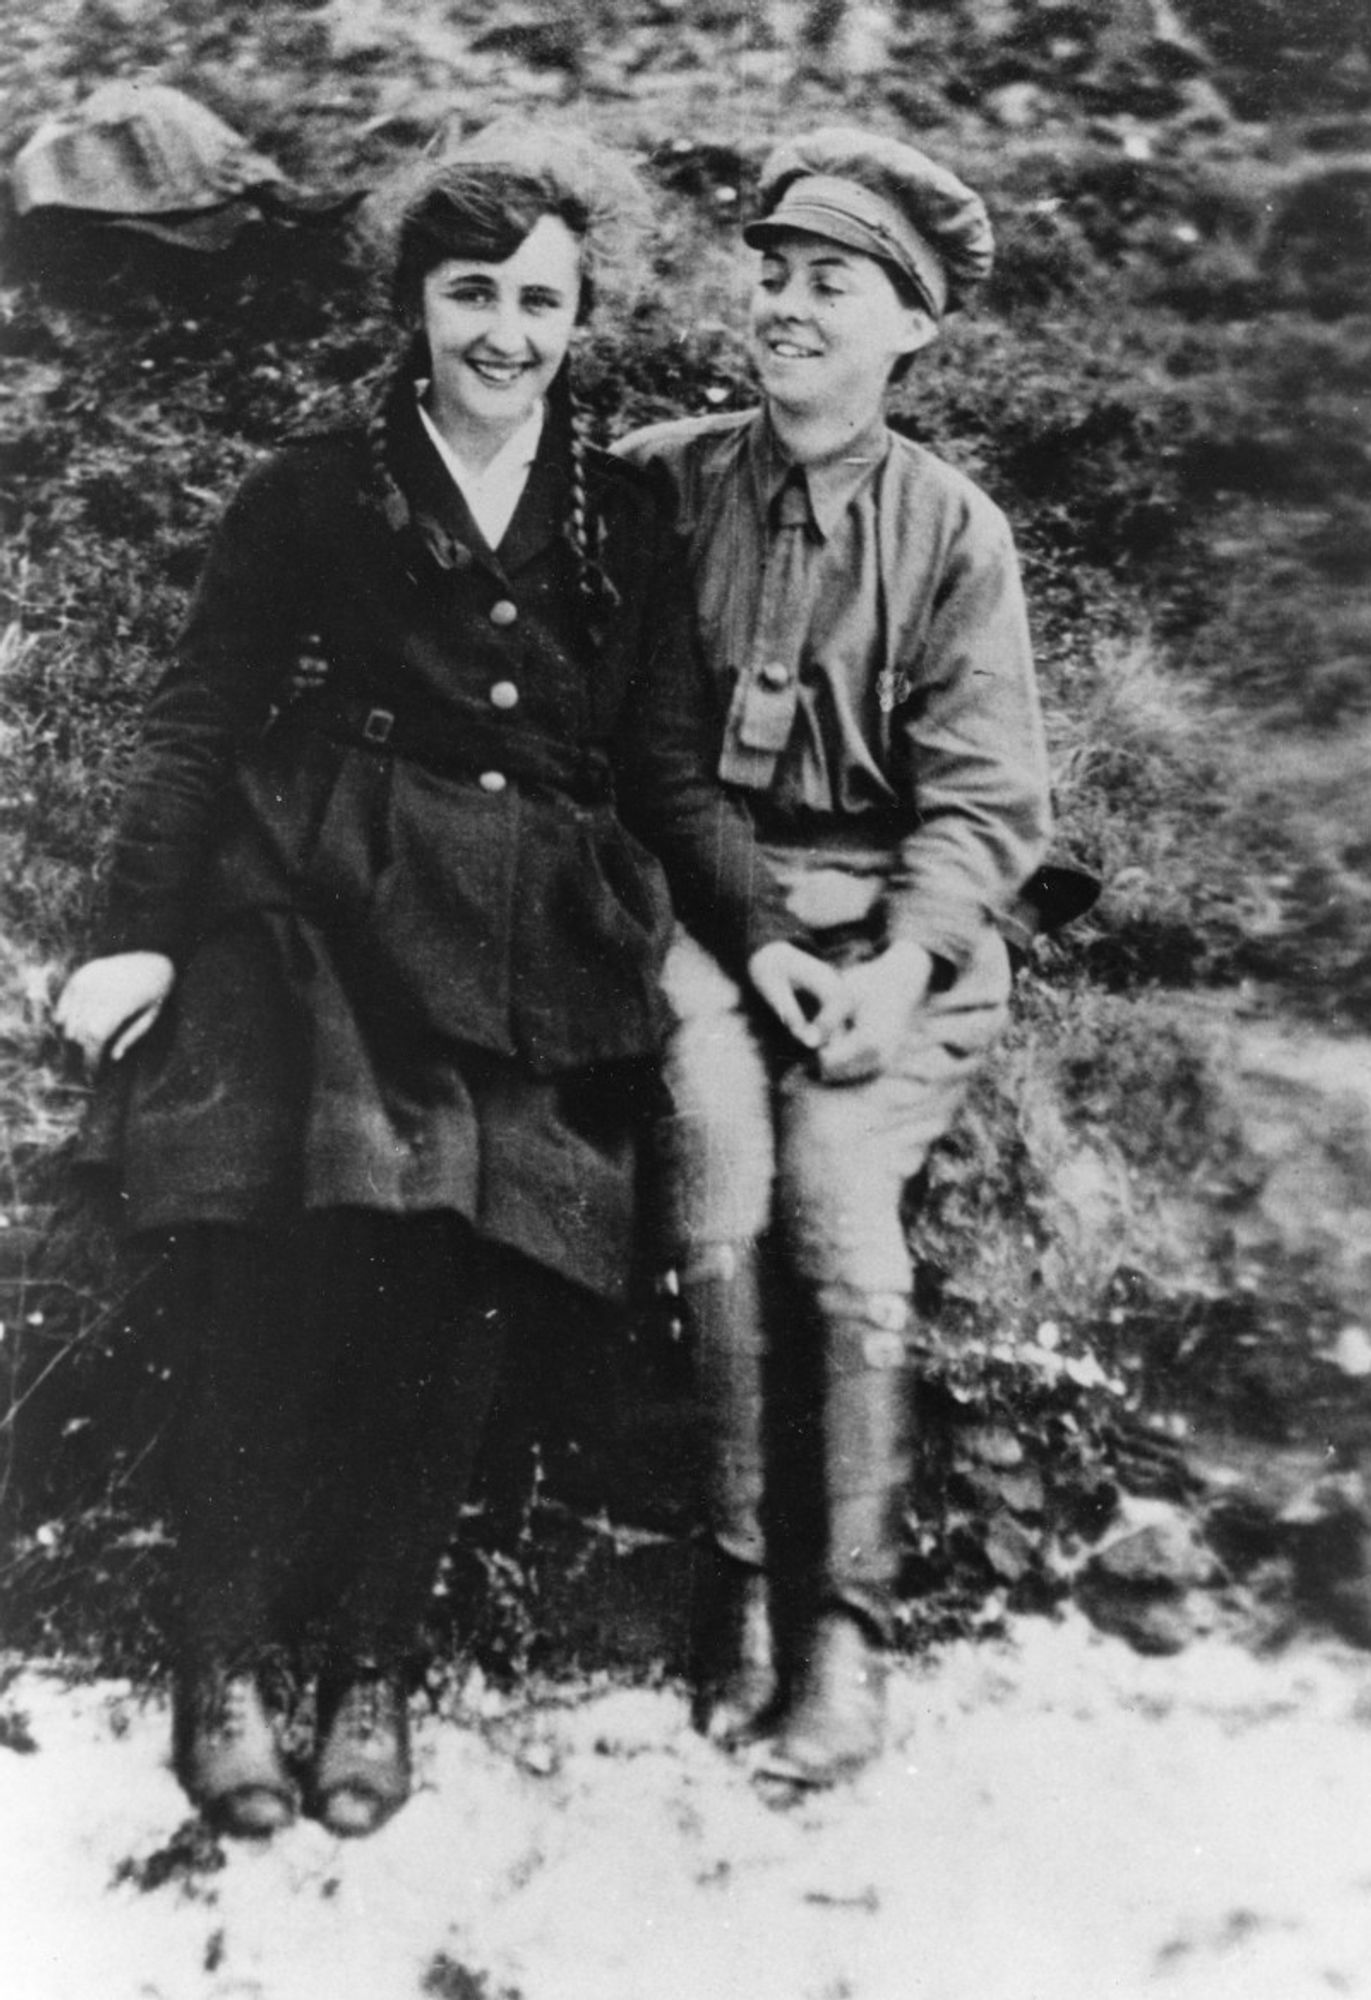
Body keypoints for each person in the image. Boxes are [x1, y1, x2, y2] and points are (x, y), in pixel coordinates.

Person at [53, 123, 830, 1841]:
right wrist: (131, 928)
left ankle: (372, 1667)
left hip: (537, 924)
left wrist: (767, 932)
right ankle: (222, 1660)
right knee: (294, 1220)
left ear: (581, 314)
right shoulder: (316, 489)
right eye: (470, 291)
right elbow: (199, 713)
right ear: (413, 300)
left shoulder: (623, 512)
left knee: (475, 1247)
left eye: (540, 300)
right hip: (323, 888)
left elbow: (672, 766)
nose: (505, 332)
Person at [616, 127, 1055, 1786]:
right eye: (778, 275)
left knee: (837, 1204)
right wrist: (736, 929)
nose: (790, 308)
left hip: (891, 935)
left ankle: (846, 1631)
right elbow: (639, 747)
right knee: (720, 1170)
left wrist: (908, 956)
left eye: (836, 285)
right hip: (703, 914)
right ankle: (733, 1592)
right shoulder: (662, 479)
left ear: (912, 329)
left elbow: (988, 799)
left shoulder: (955, 534)